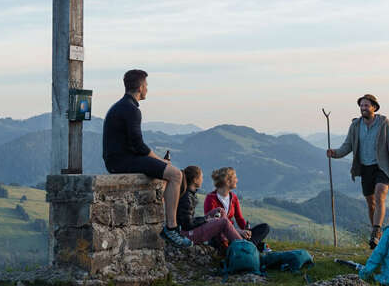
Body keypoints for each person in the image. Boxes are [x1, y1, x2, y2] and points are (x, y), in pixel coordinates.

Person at [102, 69, 192, 248]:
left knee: (166, 175)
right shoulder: (132, 110)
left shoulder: (119, 106)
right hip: (123, 162)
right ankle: (171, 228)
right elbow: (139, 146)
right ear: (141, 87)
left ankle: (169, 223)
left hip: (116, 160)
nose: (147, 89)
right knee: (175, 175)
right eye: (146, 86)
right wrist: (160, 161)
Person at [326, 93, 389, 249]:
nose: (363, 108)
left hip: (382, 167)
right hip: (365, 168)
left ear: (374, 107)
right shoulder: (355, 126)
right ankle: (375, 232)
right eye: (361, 105)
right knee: (371, 203)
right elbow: (348, 146)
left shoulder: (385, 124)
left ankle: (376, 232)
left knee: (380, 195)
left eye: (366, 105)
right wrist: (335, 153)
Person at [203, 167, 270, 251]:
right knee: (220, 237)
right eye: (235, 178)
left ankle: (248, 245)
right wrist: (238, 232)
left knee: (265, 227)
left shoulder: (233, 197)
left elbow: (239, 218)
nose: (237, 180)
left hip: (234, 234)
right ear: (227, 181)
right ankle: (251, 247)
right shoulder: (211, 199)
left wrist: (247, 231)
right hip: (221, 235)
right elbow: (212, 224)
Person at [177, 165, 244, 246]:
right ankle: (244, 247)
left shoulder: (190, 194)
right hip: (188, 235)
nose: (202, 180)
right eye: (201, 177)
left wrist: (206, 219)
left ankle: (233, 241)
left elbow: (189, 220)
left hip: (190, 230)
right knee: (224, 221)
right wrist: (206, 220)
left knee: (220, 210)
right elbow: (187, 224)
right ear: (195, 180)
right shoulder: (187, 198)